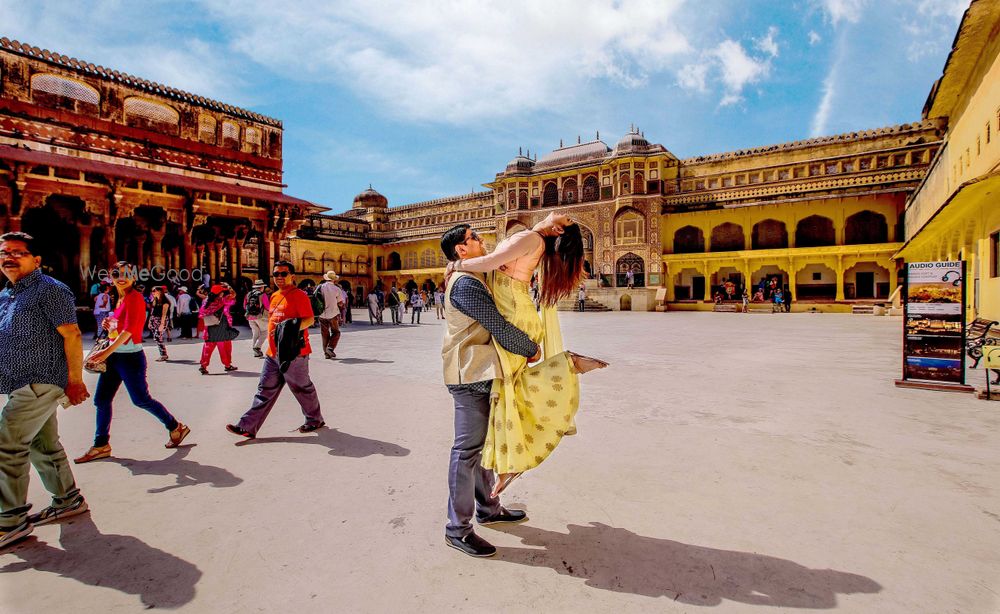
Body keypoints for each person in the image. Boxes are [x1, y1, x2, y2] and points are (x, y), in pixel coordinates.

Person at [445, 214, 607, 497]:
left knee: (509, 391)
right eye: (474, 238)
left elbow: (489, 263)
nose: (559, 212)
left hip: (514, 316)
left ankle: (565, 366)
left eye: (564, 218)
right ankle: (508, 468)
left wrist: (455, 264)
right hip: (519, 311)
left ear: (557, 228)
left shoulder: (529, 238)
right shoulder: (533, 240)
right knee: (512, 390)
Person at [439, 226, 537, 557]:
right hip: (468, 374)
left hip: (482, 371)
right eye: (474, 238)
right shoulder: (467, 285)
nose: (483, 241)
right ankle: (457, 529)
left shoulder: (477, 277)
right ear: (461, 251)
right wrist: (529, 348)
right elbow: (496, 324)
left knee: (483, 448)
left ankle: (488, 509)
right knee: (467, 451)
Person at [0, 232, 90, 550]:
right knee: (42, 444)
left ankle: (9, 521)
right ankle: (67, 501)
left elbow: (73, 335)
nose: (9, 257)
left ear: (36, 260)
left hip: (40, 382)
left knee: (6, 446)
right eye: (4, 252)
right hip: (19, 382)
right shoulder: (7, 294)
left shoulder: (49, 290)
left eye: (18, 252)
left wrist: (75, 380)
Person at [74, 261, 190, 464]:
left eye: (127, 273)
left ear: (134, 277)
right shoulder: (119, 298)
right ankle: (101, 444)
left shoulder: (134, 298)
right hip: (115, 357)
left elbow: (130, 330)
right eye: (117, 273)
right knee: (101, 400)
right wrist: (108, 325)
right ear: (111, 276)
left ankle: (175, 426)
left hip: (130, 358)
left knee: (140, 399)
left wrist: (105, 353)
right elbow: (119, 329)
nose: (122, 276)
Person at [227, 260, 324, 439]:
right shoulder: (274, 296)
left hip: (294, 352)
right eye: (276, 274)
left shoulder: (299, 295)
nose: (279, 277)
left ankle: (314, 419)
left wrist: (292, 327)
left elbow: (309, 319)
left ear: (292, 276)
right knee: (264, 389)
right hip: (273, 352)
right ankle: (247, 426)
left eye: (283, 273)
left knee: (302, 387)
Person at [198, 284, 238, 375]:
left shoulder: (205, 302)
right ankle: (227, 365)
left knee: (207, 348)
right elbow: (233, 295)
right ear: (219, 293)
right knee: (225, 347)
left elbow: (201, 314)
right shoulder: (222, 301)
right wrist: (229, 286)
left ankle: (203, 366)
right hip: (221, 328)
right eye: (222, 292)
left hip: (209, 328)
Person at [317, 271, 346, 359]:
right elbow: (340, 303)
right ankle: (330, 348)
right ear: (334, 280)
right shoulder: (337, 289)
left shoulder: (320, 287)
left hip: (321, 314)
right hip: (333, 313)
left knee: (324, 334)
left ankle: (326, 353)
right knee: (336, 332)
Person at [244, 279, 271, 358]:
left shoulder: (248, 294)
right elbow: (267, 307)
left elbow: (244, 306)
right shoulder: (263, 295)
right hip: (260, 317)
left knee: (255, 333)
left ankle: (256, 352)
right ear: (262, 287)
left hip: (250, 317)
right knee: (265, 331)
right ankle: (257, 347)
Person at [148, 286, 170, 361]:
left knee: (158, 337)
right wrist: (149, 321)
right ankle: (163, 354)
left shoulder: (165, 302)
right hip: (154, 320)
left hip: (161, 320)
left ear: (160, 292)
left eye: (154, 291)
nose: (153, 292)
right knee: (157, 337)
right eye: (152, 291)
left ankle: (164, 355)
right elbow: (152, 312)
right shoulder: (154, 300)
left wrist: (162, 324)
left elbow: (164, 314)